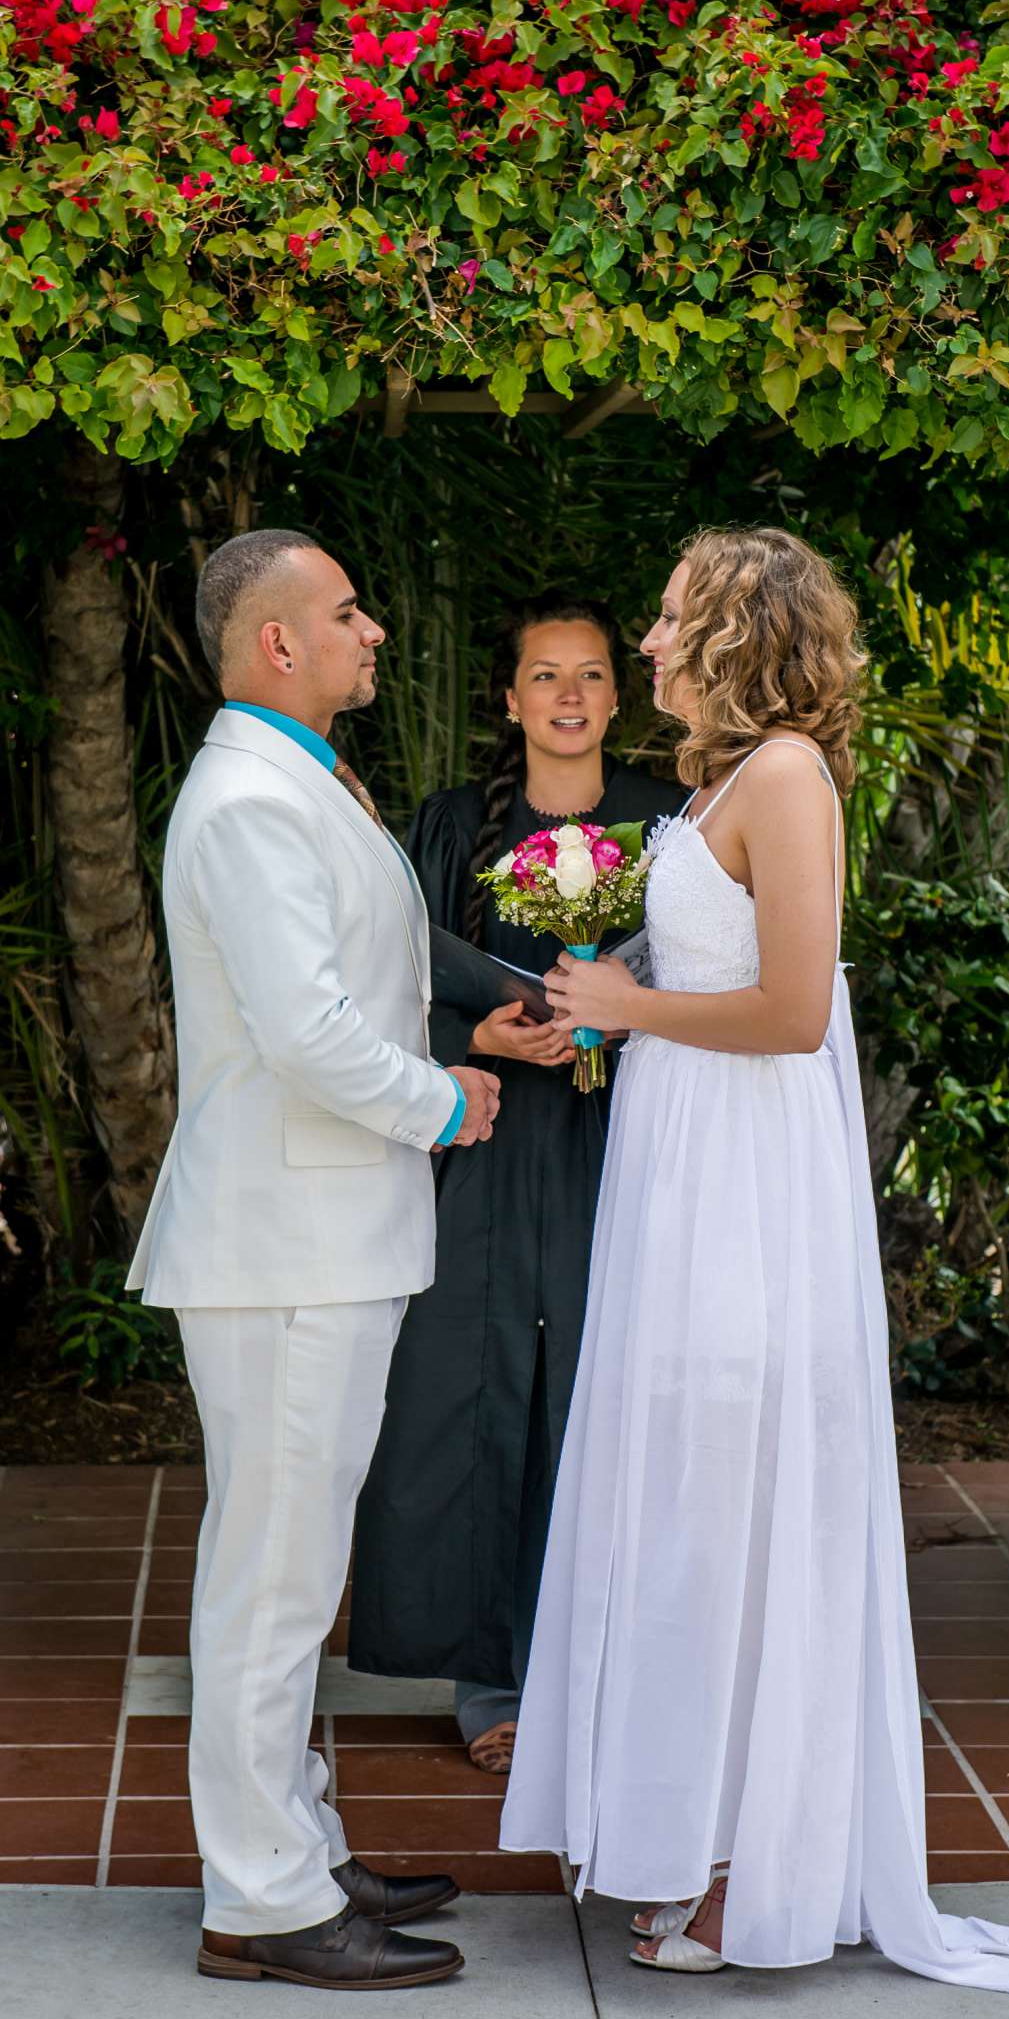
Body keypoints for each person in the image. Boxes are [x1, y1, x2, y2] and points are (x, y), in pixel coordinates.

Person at [499, 527, 1009, 1992]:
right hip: (683, 1184)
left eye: (675, 612)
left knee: (740, 1509)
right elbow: (704, 980)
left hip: (747, 1207)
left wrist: (631, 1004)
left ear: (740, 631)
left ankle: (749, 1864)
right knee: (685, 1503)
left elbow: (798, 1010)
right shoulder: (715, 785)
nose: (653, 633)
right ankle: (688, 1839)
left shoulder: (791, 777)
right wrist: (607, 1000)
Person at [127, 527, 501, 1993]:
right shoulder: (247, 802)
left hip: (319, 1234)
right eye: (348, 612)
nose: (373, 633)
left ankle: (292, 1843)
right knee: (274, 1583)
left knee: (290, 1571)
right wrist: (447, 1101)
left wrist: (468, 1038)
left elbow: (362, 985)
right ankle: (265, 1901)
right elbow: (306, 1035)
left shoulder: (292, 778)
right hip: (285, 1242)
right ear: (277, 641)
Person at [348, 600, 682, 1773]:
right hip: (489, 1139)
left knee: (610, 1385)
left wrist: (614, 1021)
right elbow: (384, 975)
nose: (571, 696)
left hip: (626, 1138)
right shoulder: (452, 825)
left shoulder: (673, 824)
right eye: (545, 675)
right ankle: (490, 1679)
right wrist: (479, 1027)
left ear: (615, 694)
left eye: (592, 674)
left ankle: (617, 1670)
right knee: (475, 1393)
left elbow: (713, 972)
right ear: (511, 699)